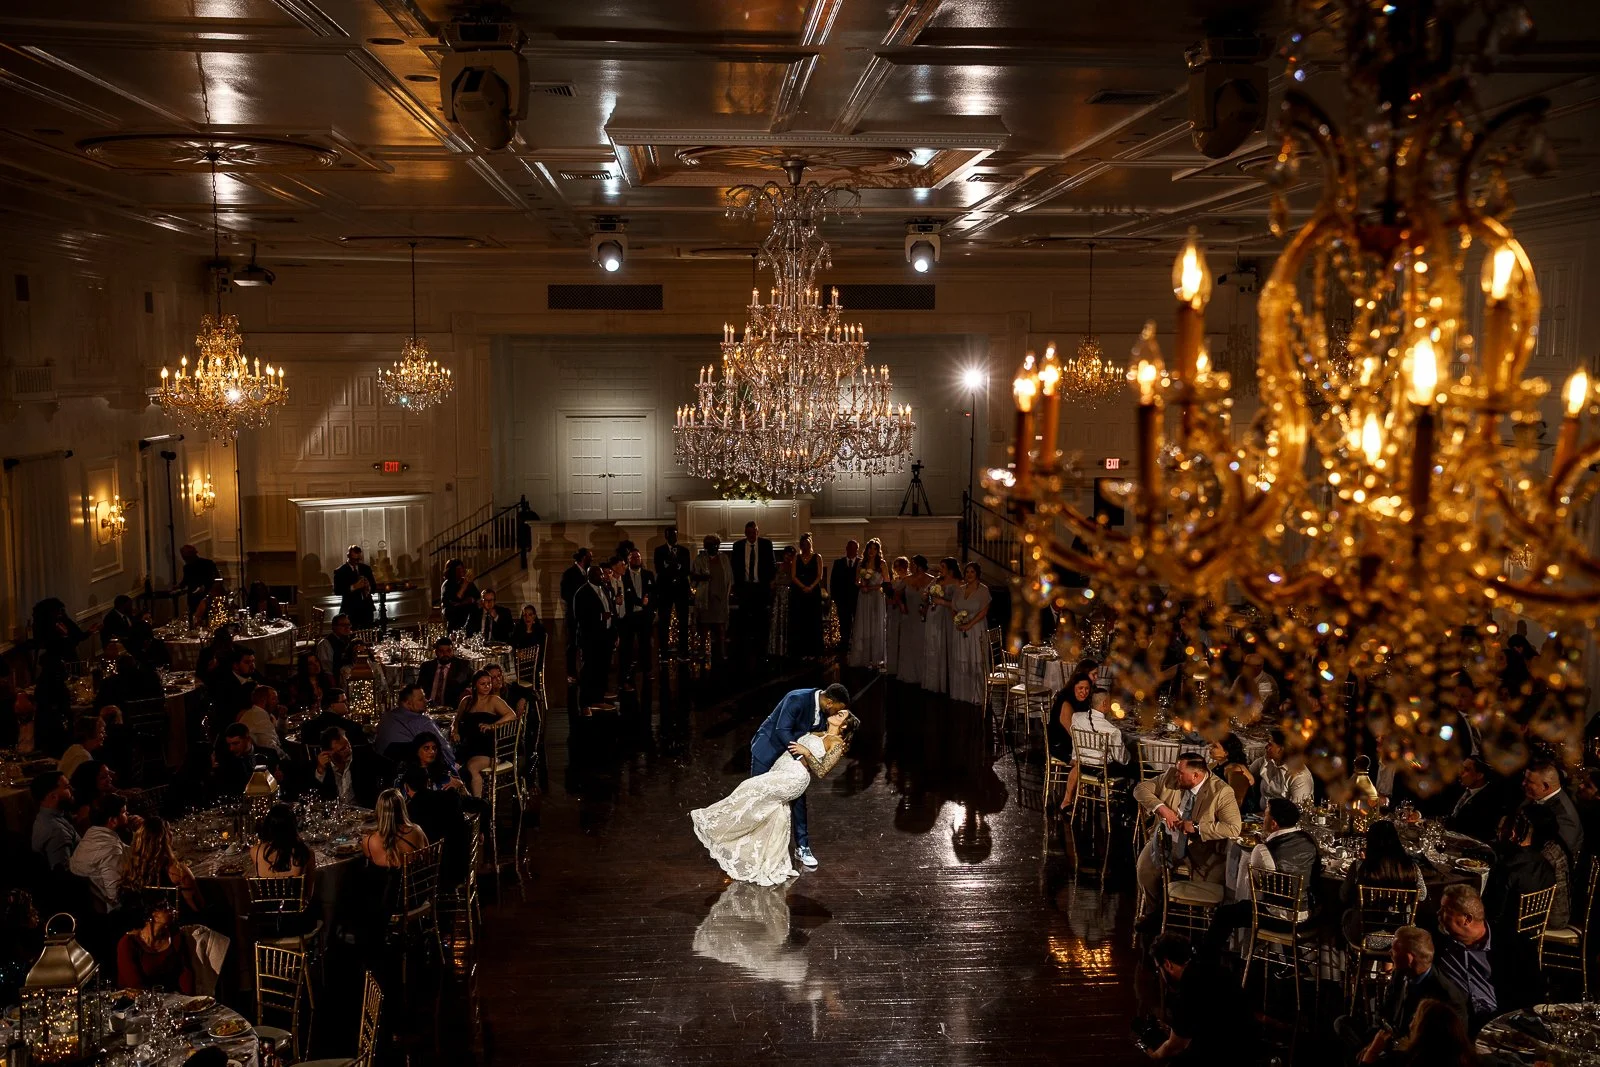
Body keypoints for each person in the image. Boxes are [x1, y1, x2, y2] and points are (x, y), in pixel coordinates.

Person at [693, 701, 857, 885]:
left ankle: (714, 827)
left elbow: (821, 771)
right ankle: (766, 860)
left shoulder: (836, 743)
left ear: (843, 726)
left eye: (841, 715)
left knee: (749, 788)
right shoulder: (818, 732)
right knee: (775, 815)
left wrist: (806, 753)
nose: (836, 713)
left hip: (794, 778)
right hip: (781, 769)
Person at [739, 684, 853, 872]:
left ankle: (803, 847)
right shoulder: (797, 698)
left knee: (798, 799)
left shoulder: (827, 712)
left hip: (791, 763)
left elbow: (833, 736)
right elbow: (782, 730)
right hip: (768, 750)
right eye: (838, 709)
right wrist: (802, 757)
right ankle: (749, 845)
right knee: (757, 796)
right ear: (830, 702)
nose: (837, 712)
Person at [1133, 754, 1243, 921]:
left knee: (1212, 887)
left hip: (1201, 846)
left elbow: (1233, 828)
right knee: (1145, 869)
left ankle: (1200, 925)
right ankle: (1153, 913)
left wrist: (1197, 827)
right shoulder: (1171, 776)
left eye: (1180, 773)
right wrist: (1163, 809)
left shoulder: (1221, 791)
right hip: (1167, 838)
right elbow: (1139, 790)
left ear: (1196, 775)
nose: (1176, 775)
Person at [1206, 798, 1319, 952]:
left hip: (1277, 919)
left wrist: (1261, 847)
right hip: (1308, 916)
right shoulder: (1309, 841)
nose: (1262, 819)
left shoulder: (1263, 850)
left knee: (1224, 914)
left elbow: (1255, 888)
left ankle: (1204, 959)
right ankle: (1293, 963)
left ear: (1273, 824)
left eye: (1265, 815)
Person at [1335, 927, 1467, 1053]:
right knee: (1342, 1023)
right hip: (1389, 1037)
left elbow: (1447, 1044)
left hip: (1415, 1050)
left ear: (1409, 958)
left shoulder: (1446, 995)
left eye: (1394, 950)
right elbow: (1384, 1012)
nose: (1390, 953)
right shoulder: (1400, 973)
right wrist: (1380, 1037)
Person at [1146, 935, 1247, 1061]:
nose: (1160, 973)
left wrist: (1152, 1056)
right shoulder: (1217, 969)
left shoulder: (1184, 993)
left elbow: (1175, 1046)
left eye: (1159, 968)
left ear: (1167, 964)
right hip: (1247, 1044)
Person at [1341, 819, 1428, 945]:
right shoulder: (1411, 868)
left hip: (1366, 935)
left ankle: (1358, 961)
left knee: (1344, 915)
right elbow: (1422, 895)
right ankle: (1389, 961)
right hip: (1401, 936)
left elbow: (1343, 896)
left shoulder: (1359, 866)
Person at [1433, 883, 1501, 1031]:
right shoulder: (1439, 942)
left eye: (1445, 910)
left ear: (1467, 919)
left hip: (1496, 1023)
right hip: (1453, 1024)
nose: (1439, 913)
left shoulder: (1509, 946)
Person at [1484, 807, 1557, 932]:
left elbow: (1494, 914)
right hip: (1534, 930)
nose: (1497, 834)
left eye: (1500, 830)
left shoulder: (1507, 869)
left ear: (1512, 834)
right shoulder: (1545, 863)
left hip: (1506, 934)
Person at [1359, 997, 1483, 1067]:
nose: (1410, 1025)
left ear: (1423, 1032)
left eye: (1415, 1019)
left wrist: (1373, 1050)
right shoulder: (1470, 1059)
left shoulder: (1405, 1061)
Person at [400, 765, 469, 887]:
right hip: (461, 866)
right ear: (428, 782)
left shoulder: (409, 813)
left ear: (406, 787)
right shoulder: (451, 797)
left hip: (431, 876)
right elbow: (483, 805)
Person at [453, 669, 517, 796]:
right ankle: (462, 801)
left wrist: (493, 725)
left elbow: (512, 715)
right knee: (452, 767)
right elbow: (456, 719)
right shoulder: (466, 701)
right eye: (483, 684)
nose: (487, 686)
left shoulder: (494, 700)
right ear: (475, 685)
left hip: (488, 749)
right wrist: (454, 730)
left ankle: (477, 805)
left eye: (489, 683)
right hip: (468, 746)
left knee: (471, 767)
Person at [120, 816, 203, 914]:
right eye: (169, 830)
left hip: (143, 924)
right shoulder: (177, 870)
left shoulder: (130, 868)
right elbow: (198, 907)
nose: (171, 833)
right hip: (174, 923)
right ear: (164, 838)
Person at [69, 793, 133, 912]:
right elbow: (115, 896)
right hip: (109, 915)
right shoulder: (110, 849)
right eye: (124, 812)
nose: (128, 816)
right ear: (112, 821)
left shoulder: (92, 836)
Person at [117, 898, 193, 993]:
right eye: (166, 908)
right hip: (135, 1001)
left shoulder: (175, 936)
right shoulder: (128, 942)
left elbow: (185, 972)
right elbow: (134, 985)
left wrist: (187, 1000)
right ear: (153, 915)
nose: (173, 910)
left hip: (169, 999)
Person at [374, 685, 456, 767]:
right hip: (414, 772)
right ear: (407, 703)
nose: (426, 701)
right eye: (421, 699)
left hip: (382, 770)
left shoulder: (386, 717)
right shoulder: (422, 722)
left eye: (424, 698)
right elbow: (445, 751)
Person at [730, 521, 776, 660]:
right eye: (749, 533)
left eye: (754, 532)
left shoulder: (766, 545)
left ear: (758, 532)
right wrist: (736, 587)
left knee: (761, 619)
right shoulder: (738, 546)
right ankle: (744, 651)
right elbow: (734, 567)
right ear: (745, 533)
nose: (751, 535)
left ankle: (762, 650)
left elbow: (772, 565)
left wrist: (769, 583)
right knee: (744, 619)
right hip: (744, 588)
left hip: (760, 588)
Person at [575, 564, 618, 712]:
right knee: (589, 671)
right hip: (590, 640)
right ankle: (585, 703)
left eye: (602, 574)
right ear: (590, 576)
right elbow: (580, 617)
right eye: (599, 574)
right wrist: (601, 616)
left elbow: (611, 610)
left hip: (605, 637)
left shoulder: (605, 589)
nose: (602, 577)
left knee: (602, 670)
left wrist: (614, 633)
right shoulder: (582, 593)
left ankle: (598, 699)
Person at [947, 561, 991, 704]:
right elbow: (953, 608)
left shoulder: (983, 590)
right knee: (962, 657)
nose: (969, 575)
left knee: (975, 658)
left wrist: (969, 625)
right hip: (960, 629)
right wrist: (957, 621)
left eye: (972, 572)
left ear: (977, 573)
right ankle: (962, 694)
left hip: (976, 628)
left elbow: (984, 612)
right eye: (967, 572)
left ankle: (977, 695)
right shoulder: (959, 589)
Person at [1521, 762, 1583, 861]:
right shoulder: (1536, 795)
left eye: (1529, 781)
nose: (1523, 783)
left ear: (1545, 787)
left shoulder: (1564, 818)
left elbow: (1555, 857)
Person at [313, 727, 382, 807]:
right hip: (336, 814)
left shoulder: (364, 754)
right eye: (342, 749)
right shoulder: (322, 765)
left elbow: (392, 767)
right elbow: (316, 797)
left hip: (362, 812)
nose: (348, 750)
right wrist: (320, 770)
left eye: (348, 745)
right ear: (328, 753)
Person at [847, 538, 888, 670]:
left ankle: (876, 658)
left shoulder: (881, 564)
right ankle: (864, 657)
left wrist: (870, 588)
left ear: (878, 551)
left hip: (876, 596)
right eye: (870, 548)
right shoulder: (861, 563)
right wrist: (861, 584)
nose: (872, 551)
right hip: (864, 597)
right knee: (864, 624)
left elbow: (886, 582)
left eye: (875, 549)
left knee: (876, 624)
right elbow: (856, 581)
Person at [1445, 756, 1506, 844]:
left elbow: (1475, 833)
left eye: (1466, 770)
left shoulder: (1490, 801)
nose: (1460, 772)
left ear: (1479, 775)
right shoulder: (1458, 786)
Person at [654, 527, 693, 662]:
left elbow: (686, 570)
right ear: (666, 536)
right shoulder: (659, 551)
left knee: (683, 621)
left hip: (681, 589)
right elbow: (659, 569)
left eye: (675, 535)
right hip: (665, 590)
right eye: (671, 535)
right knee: (663, 621)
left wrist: (672, 566)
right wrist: (676, 567)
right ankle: (663, 652)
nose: (673, 538)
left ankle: (684, 651)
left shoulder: (684, 551)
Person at [363, 788, 428, 868]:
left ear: (380, 811)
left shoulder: (368, 842)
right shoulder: (417, 831)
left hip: (380, 880)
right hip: (415, 879)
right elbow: (428, 857)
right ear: (403, 808)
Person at [1249, 728, 1314, 808]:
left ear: (1281, 749)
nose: (1266, 747)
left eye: (1270, 744)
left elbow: (1296, 811)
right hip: (1259, 815)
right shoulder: (1267, 761)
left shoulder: (1300, 776)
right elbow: (1247, 775)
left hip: (1283, 819)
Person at [617, 549, 654, 687]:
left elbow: (654, 593)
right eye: (633, 557)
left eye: (638, 557)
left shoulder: (648, 575)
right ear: (628, 560)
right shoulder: (624, 575)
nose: (636, 559)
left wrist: (651, 610)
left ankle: (647, 670)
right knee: (628, 645)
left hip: (645, 616)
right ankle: (627, 672)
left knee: (646, 644)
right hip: (629, 616)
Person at [691, 535, 731, 663]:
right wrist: (702, 578)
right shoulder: (700, 559)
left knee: (721, 627)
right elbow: (693, 577)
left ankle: (723, 651)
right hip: (705, 597)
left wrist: (729, 593)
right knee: (704, 627)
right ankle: (703, 650)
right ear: (706, 547)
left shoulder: (724, 558)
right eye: (711, 545)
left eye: (716, 545)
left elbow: (729, 577)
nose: (714, 547)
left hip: (720, 597)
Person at [922, 557, 959, 695]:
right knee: (933, 645)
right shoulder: (936, 580)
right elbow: (924, 594)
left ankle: (946, 681)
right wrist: (927, 596)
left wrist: (942, 601)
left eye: (943, 567)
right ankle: (934, 680)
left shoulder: (957, 583)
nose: (940, 570)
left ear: (950, 569)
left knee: (945, 644)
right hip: (934, 615)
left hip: (947, 616)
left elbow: (957, 603)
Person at [30, 773, 79, 872]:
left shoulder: (44, 816)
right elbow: (64, 874)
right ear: (53, 797)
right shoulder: (57, 831)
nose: (72, 790)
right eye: (66, 787)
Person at [788, 533, 825, 661]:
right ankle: (801, 651)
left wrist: (811, 587)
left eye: (808, 544)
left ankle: (814, 652)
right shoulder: (796, 558)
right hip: (799, 593)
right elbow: (793, 576)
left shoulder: (817, 557)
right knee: (801, 622)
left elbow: (819, 575)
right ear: (801, 546)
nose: (806, 547)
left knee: (813, 622)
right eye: (803, 545)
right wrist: (803, 587)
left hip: (813, 592)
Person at [895, 554, 930, 686]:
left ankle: (922, 674)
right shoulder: (907, 580)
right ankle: (909, 673)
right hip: (909, 615)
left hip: (922, 617)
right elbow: (896, 594)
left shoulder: (931, 580)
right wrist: (902, 606)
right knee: (908, 644)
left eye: (913, 564)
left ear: (920, 566)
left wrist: (927, 608)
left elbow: (933, 597)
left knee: (920, 644)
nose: (911, 567)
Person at [560, 548, 593, 684]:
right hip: (574, 614)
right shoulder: (570, 573)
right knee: (572, 644)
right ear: (584, 557)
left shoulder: (588, 573)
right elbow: (565, 594)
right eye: (590, 557)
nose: (592, 559)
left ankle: (586, 672)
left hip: (586, 615)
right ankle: (571, 673)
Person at [297, 687, 367, 747]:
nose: (347, 704)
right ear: (332, 705)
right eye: (344, 701)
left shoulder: (307, 726)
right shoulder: (352, 727)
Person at [395, 734, 463, 793]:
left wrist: (461, 786)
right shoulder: (405, 772)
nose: (432, 751)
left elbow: (468, 799)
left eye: (434, 748)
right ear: (417, 751)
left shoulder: (447, 769)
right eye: (426, 748)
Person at [417, 637, 472, 709]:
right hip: (428, 707)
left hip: (451, 707)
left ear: (453, 651)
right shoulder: (427, 666)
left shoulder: (463, 666)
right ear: (436, 652)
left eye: (448, 651)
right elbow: (418, 686)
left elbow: (474, 681)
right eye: (441, 651)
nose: (445, 654)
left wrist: (467, 691)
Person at [829, 539, 862, 656]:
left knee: (858, 622)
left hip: (857, 599)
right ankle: (844, 644)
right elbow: (833, 582)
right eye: (850, 548)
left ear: (857, 550)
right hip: (842, 600)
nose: (852, 550)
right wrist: (835, 598)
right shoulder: (838, 563)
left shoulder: (861, 563)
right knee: (844, 623)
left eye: (855, 548)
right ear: (846, 549)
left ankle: (856, 644)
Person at [1208, 734, 1256, 809]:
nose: (1210, 748)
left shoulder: (1235, 769)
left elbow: (1237, 800)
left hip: (1240, 813)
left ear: (1226, 752)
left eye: (1215, 746)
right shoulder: (1217, 764)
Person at [333, 545, 376, 627]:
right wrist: (354, 587)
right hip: (350, 610)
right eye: (354, 559)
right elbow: (337, 591)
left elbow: (374, 587)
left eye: (358, 559)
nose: (356, 562)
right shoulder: (340, 571)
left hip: (367, 609)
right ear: (348, 556)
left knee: (368, 634)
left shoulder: (366, 569)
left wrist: (368, 587)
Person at [238, 685, 285, 755]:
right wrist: (287, 758)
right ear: (263, 700)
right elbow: (271, 747)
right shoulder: (258, 717)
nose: (277, 701)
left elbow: (280, 733)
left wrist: (282, 717)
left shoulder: (267, 715)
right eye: (274, 699)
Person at [175, 544, 220, 615]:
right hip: (193, 598)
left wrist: (205, 587)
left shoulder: (207, 564)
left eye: (185, 557)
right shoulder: (187, 567)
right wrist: (178, 586)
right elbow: (186, 581)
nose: (184, 559)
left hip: (206, 596)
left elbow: (215, 579)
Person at [58, 713, 105, 778]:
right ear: (90, 733)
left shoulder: (74, 748)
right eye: (101, 732)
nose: (104, 736)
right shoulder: (82, 756)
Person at [768, 546, 794, 659]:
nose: (788, 557)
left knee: (788, 622)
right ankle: (775, 649)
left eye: (791, 555)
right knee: (777, 621)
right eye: (786, 554)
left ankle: (789, 649)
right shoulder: (778, 565)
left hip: (790, 597)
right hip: (778, 596)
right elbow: (772, 581)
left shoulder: (794, 566)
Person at [439, 558, 479, 631]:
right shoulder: (447, 584)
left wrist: (469, 600)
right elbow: (454, 600)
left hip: (469, 617)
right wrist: (464, 586)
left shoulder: (467, 582)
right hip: (454, 617)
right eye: (458, 569)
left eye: (462, 568)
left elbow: (477, 596)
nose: (461, 570)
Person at [885, 556, 910, 676]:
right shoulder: (893, 582)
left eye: (900, 568)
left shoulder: (908, 581)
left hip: (904, 610)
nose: (898, 570)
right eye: (896, 568)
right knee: (893, 636)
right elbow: (888, 598)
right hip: (893, 610)